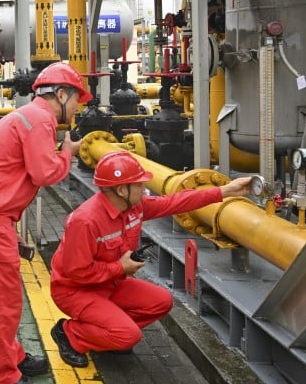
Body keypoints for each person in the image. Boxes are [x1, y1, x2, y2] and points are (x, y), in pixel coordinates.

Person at [0, 62, 92, 384]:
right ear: (61, 94)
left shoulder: (28, 115)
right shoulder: (41, 120)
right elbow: (44, 173)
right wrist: (67, 153)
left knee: (4, 294)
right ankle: (2, 376)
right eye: (77, 99)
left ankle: (11, 355)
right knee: (0, 299)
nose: (78, 108)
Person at [49, 150, 254, 368]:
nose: (144, 188)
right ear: (121, 190)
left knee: (161, 301)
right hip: (75, 291)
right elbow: (76, 272)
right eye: (139, 184)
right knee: (128, 335)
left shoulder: (134, 207)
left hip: (109, 283)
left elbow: (175, 202)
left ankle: (106, 334)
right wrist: (119, 268)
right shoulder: (85, 221)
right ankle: (70, 333)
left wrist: (225, 190)